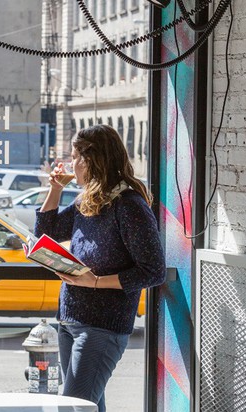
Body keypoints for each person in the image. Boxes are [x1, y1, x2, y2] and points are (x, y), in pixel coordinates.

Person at [34, 124, 166, 411]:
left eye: (74, 157)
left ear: (90, 160)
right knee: (86, 408)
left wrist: (95, 281)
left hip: (102, 327)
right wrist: (55, 189)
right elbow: (48, 232)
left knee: (72, 408)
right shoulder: (88, 201)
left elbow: (154, 270)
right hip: (70, 320)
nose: (71, 165)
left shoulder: (128, 206)